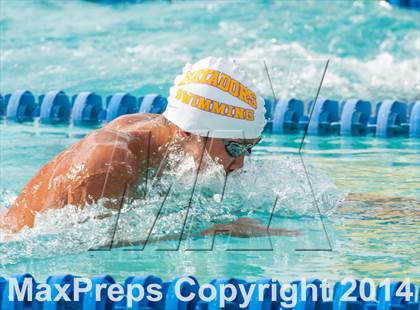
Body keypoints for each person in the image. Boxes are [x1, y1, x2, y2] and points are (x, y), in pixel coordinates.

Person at [0, 57, 299, 239]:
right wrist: (214, 229)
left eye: (249, 149)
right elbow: (86, 244)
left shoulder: (164, 139)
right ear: (187, 132)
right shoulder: (111, 162)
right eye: (234, 148)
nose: (240, 164)